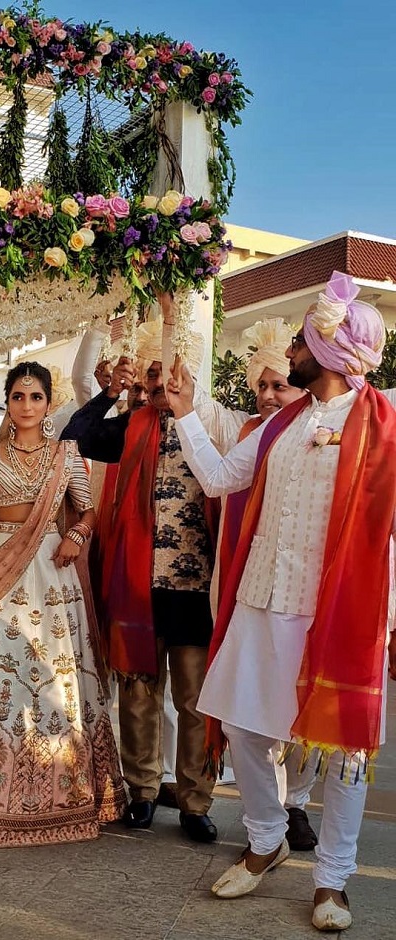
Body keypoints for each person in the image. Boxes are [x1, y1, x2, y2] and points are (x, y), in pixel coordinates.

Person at [167, 271, 396, 932]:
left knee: (342, 750)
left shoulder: (384, 423)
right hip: (261, 599)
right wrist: (185, 413)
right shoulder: (277, 426)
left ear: (327, 349)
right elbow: (218, 480)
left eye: (299, 340)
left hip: (339, 612)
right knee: (243, 727)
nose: (290, 351)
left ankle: (333, 879)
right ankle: (266, 839)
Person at [0, 362, 126, 846]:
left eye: (35, 397)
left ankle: (62, 799)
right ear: (7, 402)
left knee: (55, 678)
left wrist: (77, 534)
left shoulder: (66, 453)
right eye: (17, 396)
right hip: (0, 567)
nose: (26, 405)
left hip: (52, 570)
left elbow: (87, 509)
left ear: (49, 403)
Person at [60, 317, 218, 845]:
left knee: (195, 702)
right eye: (151, 374)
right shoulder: (132, 425)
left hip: (195, 590)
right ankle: (143, 792)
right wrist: (110, 394)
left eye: (167, 372)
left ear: (185, 375)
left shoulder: (211, 424)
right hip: (138, 585)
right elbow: (74, 436)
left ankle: (196, 802)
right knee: (138, 696)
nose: (159, 383)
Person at [174, 317, 318, 850]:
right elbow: (215, 476)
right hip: (251, 589)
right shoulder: (258, 433)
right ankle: (268, 828)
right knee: (244, 714)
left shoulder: (348, 425)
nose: (268, 395)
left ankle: (296, 805)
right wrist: (184, 409)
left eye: (280, 384)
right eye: (262, 385)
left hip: (314, 596)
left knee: (304, 714)